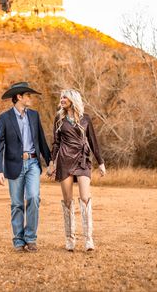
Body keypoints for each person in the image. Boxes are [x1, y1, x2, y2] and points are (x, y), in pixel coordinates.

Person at [0, 81, 52, 252]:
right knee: (17, 204)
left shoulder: (34, 115)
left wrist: (50, 162)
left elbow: (41, 140)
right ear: (19, 97)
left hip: (33, 163)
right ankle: (18, 240)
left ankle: (31, 238)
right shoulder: (4, 118)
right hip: (14, 164)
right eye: (28, 95)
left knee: (33, 198)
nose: (30, 98)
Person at [49, 89, 106, 251]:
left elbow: (93, 142)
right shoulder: (59, 118)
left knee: (85, 197)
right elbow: (56, 143)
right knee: (67, 201)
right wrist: (52, 162)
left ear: (73, 100)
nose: (61, 99)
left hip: (83, 161)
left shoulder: (85, 118)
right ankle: (70, 239)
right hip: (65, 161)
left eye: (65, 97)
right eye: (61, 97)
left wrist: (100, 163)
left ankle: (88, 239)